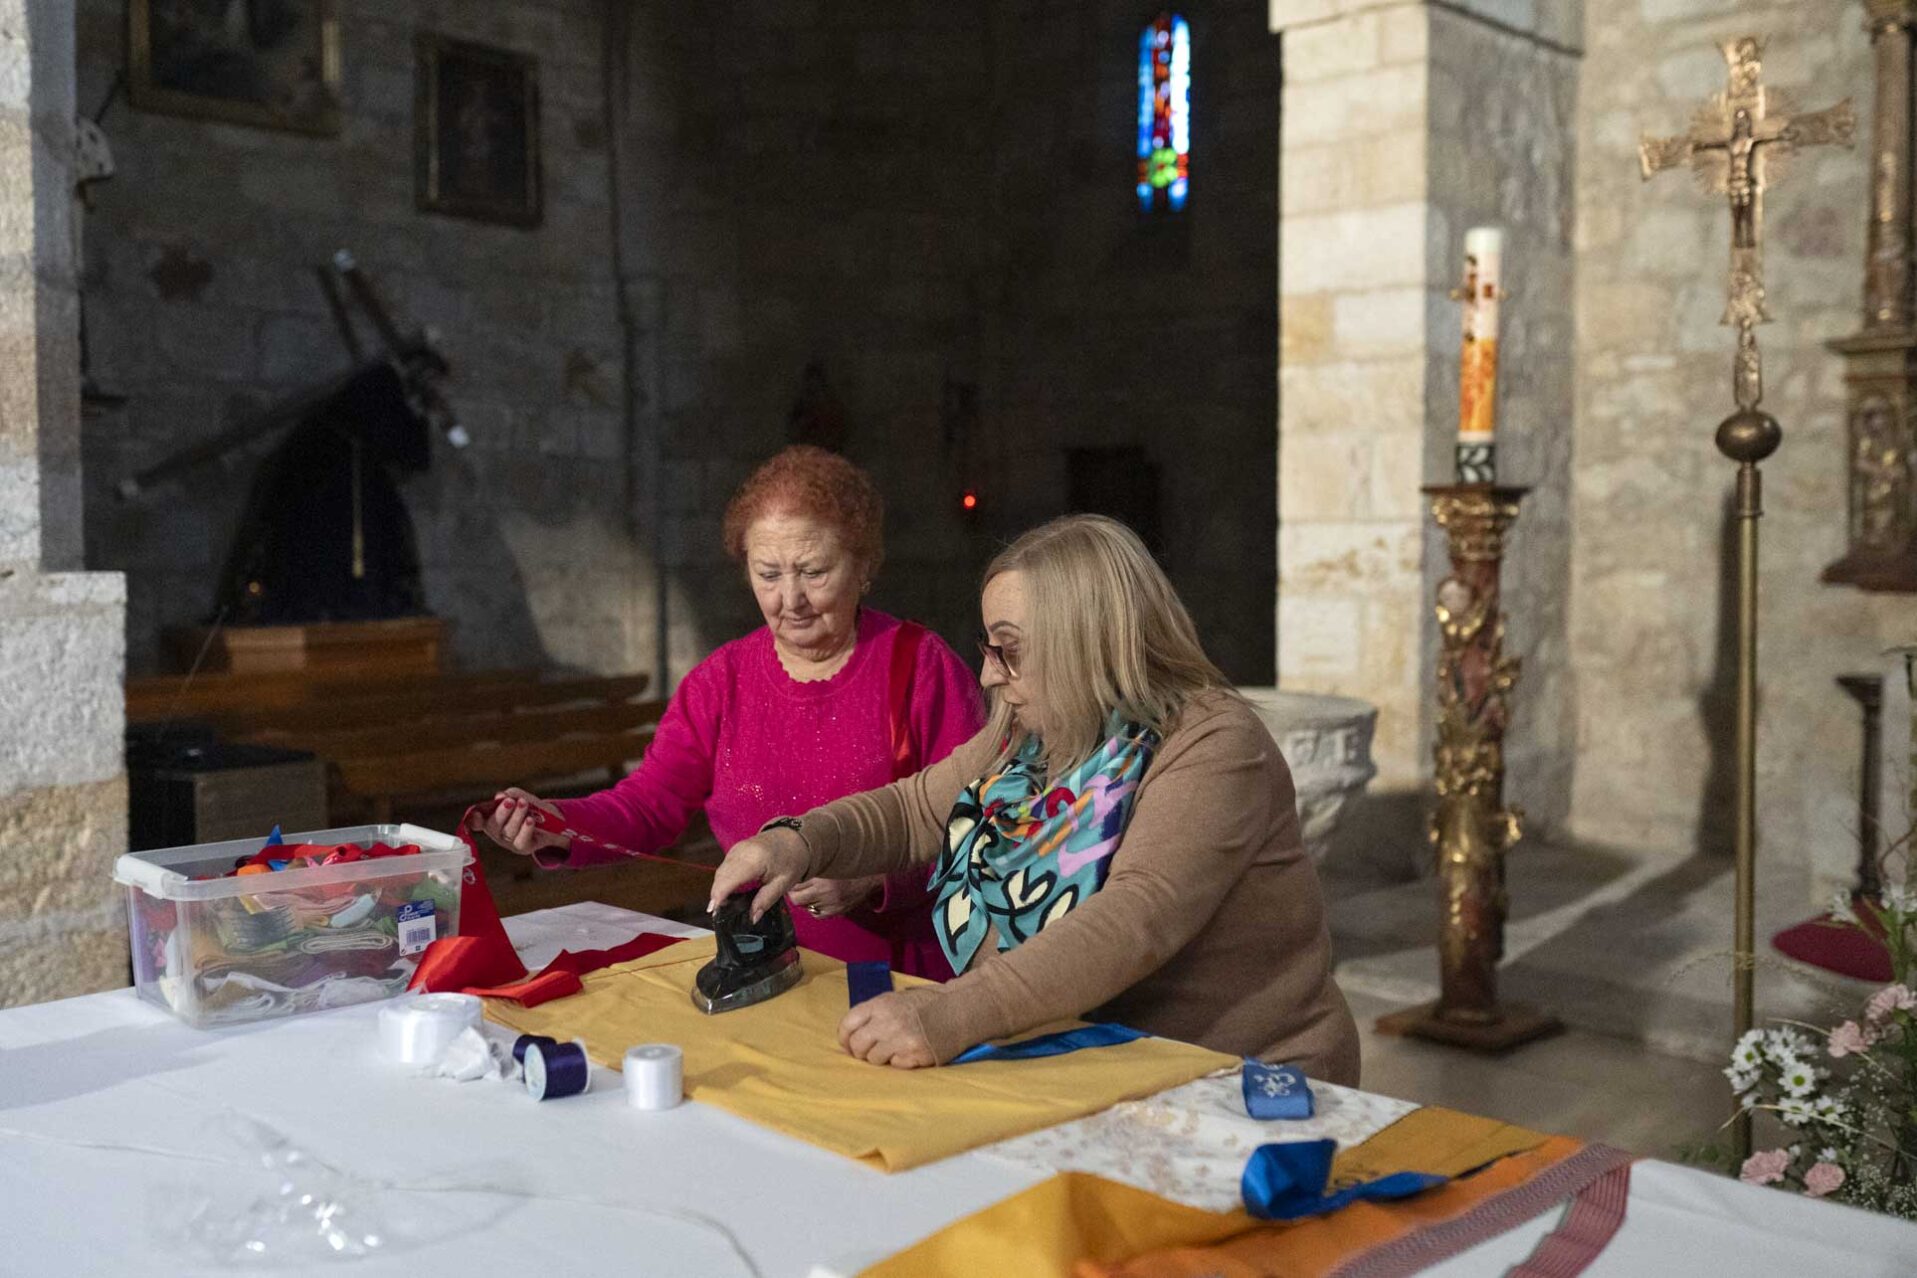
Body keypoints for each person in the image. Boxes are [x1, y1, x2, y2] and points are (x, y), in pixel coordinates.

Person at [712, 514, 1360, 1083]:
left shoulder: (1213, 742)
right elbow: (912, 809)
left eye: (1010, 649)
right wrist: (794, 841)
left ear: (1085, 640)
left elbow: (1135, 918)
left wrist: (953, 1011)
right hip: (1099, 1064)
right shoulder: (1029, 730)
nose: (990, 673)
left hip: (1237, 1078)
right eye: (989, 648)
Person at [479, 446, 983, 979]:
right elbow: (649, 805)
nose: (791, 599)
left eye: (813, 571)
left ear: (863, 565)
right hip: (759, 972)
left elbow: (977, 824)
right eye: (768, 574)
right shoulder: (720, 682)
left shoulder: (923, 668)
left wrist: (876, 882)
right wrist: (556, 825)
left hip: (907, 978)